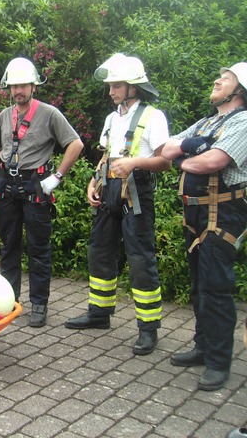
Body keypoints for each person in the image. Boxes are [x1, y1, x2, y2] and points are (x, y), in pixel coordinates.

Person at [64, 53, 170, 355]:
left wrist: (135, 163)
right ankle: (99, 314)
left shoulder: (153, 117)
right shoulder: (112, 118)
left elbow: (165, 161)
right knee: (99, 252)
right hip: (107, 193)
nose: (111, 91)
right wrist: (93, 181)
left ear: (133, 87)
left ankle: (148, 330)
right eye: (110, 85)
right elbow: (106, 156)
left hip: (136, 196)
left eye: (117, 85)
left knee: (140, 260)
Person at [162, 62, 247, 390]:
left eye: (225, 79)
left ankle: (218, 361)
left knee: (216, 287)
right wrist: (190, 149)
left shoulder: (242, 122)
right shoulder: (208, 122)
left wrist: (186, 156)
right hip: (196, 215)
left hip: (223, 214)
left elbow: (214, 161)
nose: (217, 80)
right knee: (199, 283)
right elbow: (165, 148)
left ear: (240, 91)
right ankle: (202, 347)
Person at [0, 57, 84, 327]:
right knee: (9, 247)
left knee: (39, 248)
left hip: (35, 187)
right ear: (9, 88)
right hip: (7, 186)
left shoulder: (50, 114)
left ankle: (39, 304)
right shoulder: (4, 116)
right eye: (14, 86)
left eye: (23, 85)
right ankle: (10, 300)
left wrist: (57, 177)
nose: (18, 90)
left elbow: (75, 144)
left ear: (33, 87)